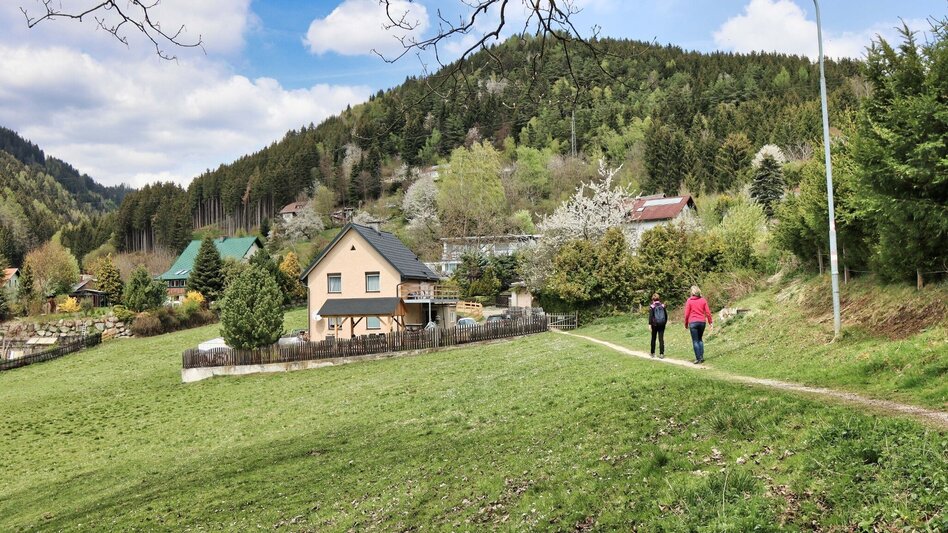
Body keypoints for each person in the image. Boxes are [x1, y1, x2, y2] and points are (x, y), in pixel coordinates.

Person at [683, 285, 713, 364]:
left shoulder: (689, 300)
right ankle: (701, 357)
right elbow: (708, 313)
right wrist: (710, 322)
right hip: (702, 322)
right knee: (700, 339)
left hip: (693, 322)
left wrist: (686, 324)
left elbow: (686, 314)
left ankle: (698, 358)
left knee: (695, 341)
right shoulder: (703, 300)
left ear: (692, 292)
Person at [647, 293, 667, 359]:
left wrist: (649, 324)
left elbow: (650, 316)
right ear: (659, 299)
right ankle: (661, 353)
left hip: (654, 324)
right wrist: (664, 322)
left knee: (653, 338)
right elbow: (666, 315)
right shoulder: (663, 306)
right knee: (661, 339)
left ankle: (652, 353)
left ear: (653, 299)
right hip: (662, 324)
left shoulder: (652, 306)